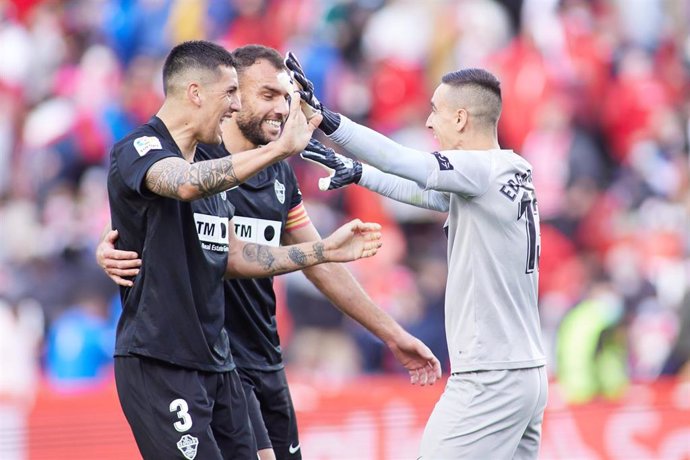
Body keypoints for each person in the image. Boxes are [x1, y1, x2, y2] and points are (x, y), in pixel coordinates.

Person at [99, 44, 442, 460]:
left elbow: (236, 253)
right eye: (265, 95)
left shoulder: (274, 174)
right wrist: (111, 241)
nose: (280, 108)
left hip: (241, 358)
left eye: (286, 96)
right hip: (174, 357)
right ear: (207, 92)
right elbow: (173, 189)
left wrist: (325, 257)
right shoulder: (179, 157)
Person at [290, 55, 547, 459]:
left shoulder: (480, 169)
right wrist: (358, 173)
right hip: (526, 372)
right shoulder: (510, 168)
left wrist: (326, 119)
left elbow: (402, 161)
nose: (429, 123)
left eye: (435, 111)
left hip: (489, 375)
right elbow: (425, 193)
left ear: (461, 119)